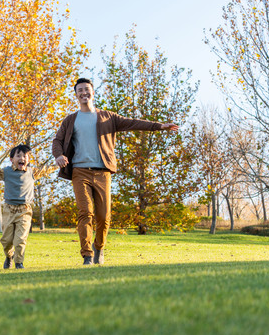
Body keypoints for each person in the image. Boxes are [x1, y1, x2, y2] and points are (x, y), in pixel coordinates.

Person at [52, 78, 178, 265]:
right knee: (85, 213)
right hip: (79, 171)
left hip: (103, 172)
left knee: (104, 216)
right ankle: (87, 254)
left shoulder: (108, 117)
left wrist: (158, 126)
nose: (83, 93)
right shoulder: (71, 120)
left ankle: (99, 247)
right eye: (80, 90)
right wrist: (59, 155)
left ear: (92, 92)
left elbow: (133, 123)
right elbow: (57, 140)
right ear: (76, 95)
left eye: (87, 89)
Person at [0, 144, 56, 269]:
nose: (22, 158)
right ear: (12, 159)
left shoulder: (33, 172)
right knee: (6, 240)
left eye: (25, 156)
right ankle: (9, 256)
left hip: (25, 210)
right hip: (9, 209)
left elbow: (48, 169)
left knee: (20, 239)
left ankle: (19, 262)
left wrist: (58, 164)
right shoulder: (6, 172)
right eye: (18, 156)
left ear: (28, 159)